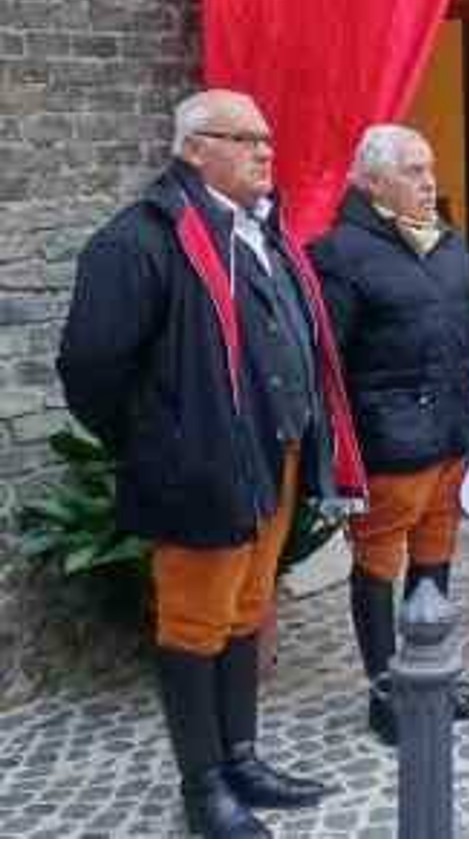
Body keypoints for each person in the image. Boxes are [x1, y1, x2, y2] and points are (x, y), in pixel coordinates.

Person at [57, 89, 364, 837]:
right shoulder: (139, 241)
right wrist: (160, 442)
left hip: (275, 454)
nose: (266, 151)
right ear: (195, 149)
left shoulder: (262, 231)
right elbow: (90, 367)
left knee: (247, 609)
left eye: (268, 137)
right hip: (198, 467)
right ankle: (204, 787)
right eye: (245, 138)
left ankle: (242, 756)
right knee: (194, 623)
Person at [309, 125, 469, 743]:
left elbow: (468, 345)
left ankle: (429, 676)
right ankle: (384, 691)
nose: (430, 183)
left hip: (451, 435)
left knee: (435, 555)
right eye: (415, 172)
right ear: (373, 183)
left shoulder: (447, 244)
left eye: (430, 169)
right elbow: (329, 363)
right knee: (377, 564)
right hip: (392, 444)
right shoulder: (339, 253)